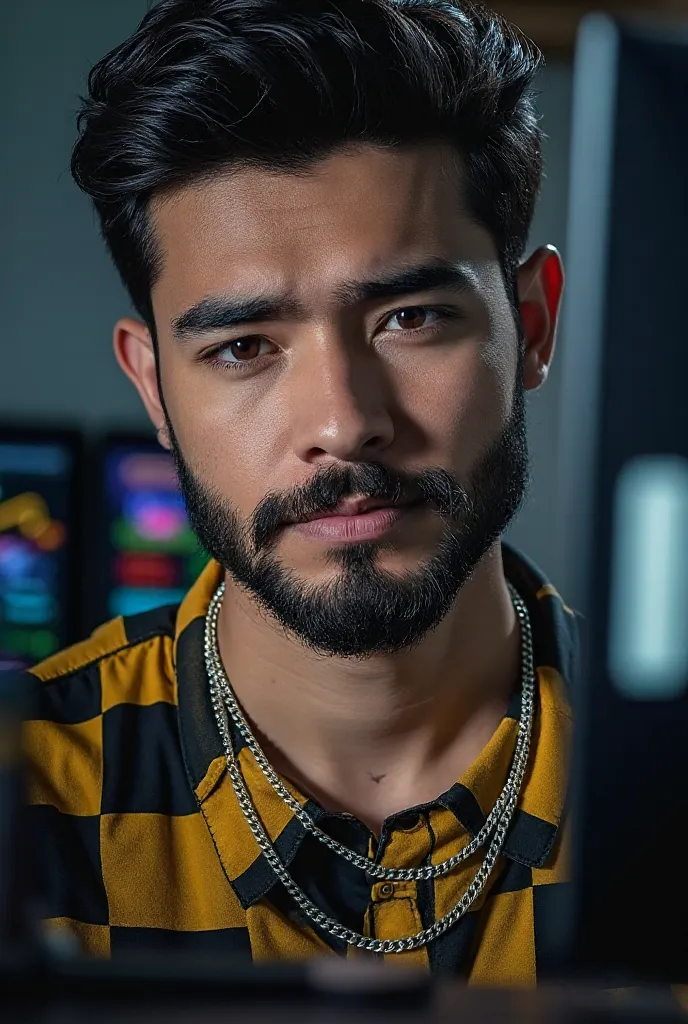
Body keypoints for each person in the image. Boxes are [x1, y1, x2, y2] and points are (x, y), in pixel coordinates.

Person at [23, 0, 577, 982]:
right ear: (154, 387)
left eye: (409, 317)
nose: (342, 421)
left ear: (530, 324)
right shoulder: (25, 792)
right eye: (244, 347)